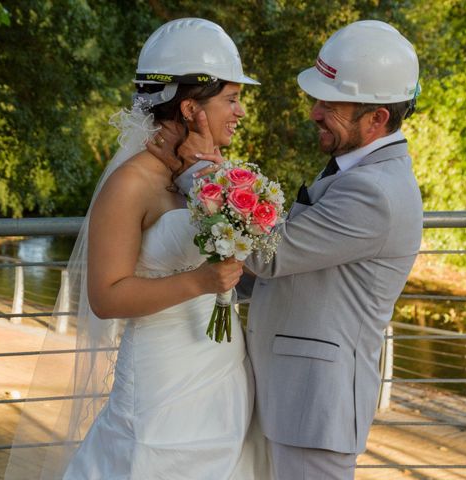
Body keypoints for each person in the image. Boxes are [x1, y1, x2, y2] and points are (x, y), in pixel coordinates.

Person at [5, 18, 272, 480]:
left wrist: (204, 180)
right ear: (190, 108)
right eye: (231, 98)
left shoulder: (215, 175)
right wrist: (200, 282)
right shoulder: (130, 184)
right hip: (161, 378)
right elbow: (106, 297)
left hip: (221, 368)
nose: (241, 111)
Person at [155, 20, 423, 479]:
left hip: (315, 405)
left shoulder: (375, 192)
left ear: (377, 117)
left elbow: (269, 255)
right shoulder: (355, 169)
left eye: (330, 104)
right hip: (293, 398)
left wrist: (194, 170)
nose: (314, 112)